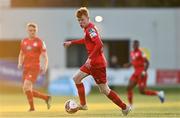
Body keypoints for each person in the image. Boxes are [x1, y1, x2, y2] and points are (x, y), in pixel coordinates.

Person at [63, 7, 131, 116]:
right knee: (76, 78)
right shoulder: (87, 29)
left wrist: (90, 58)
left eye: (82, 20)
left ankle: (125, 107)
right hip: (92, 63)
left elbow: (99, 44)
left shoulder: (90, 29)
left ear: (88, 18)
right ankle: (83, 104)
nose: (81, 22)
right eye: (79, 20)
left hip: (97, 63)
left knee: (105, 90)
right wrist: (71, 42)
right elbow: (85, 40)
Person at [18, 23, 51, 111]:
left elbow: (45, 56)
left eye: (34, 30)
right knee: (26, 90)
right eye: (30, 30)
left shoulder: (40, 41)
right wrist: (20, 63)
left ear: (36, 31)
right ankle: (46, 98)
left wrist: (45, 66)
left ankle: (32, 108)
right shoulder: (24, 41)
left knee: (26, 86)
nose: (32, 32)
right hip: (26, 68)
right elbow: (21, 54)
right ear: (27, 31)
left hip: (34, 68)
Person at [123, 40, 165, 107]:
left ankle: (159, 93)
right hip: (135, 73)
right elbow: (133, 61)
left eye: (136, 44)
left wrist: (144, 72)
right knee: (129, 87)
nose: (135, 46)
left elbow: (147, 63)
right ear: (133, 45)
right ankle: (131, 105)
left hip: (141, 73)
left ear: (138, 45)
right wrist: (128, 65)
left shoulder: (141, 53)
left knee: (142, 91)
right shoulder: (132, 53)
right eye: (134, 44)